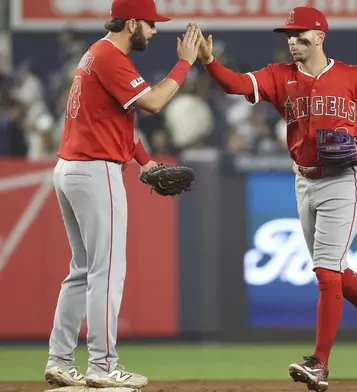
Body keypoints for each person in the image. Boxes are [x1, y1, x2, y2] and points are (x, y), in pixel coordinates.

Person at [196, 6, 357, 391]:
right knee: (335, 270)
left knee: (326, 272)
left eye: (300, 34)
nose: (293, 41)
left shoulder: (354, 76)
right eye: (289, 36)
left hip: (345, 179)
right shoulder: (281, 77)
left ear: (320, 35)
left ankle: (319, 363)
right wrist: (211, 61)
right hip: (305, 179)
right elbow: (236, 85)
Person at [44, 0, 202, 389]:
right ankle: (103, 365)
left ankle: (61, 360)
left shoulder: (95, 53)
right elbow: (154, 102)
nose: (154, 31)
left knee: (81, 271)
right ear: (131, 22)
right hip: (95, 170)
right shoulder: (111, 57)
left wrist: (146, 164)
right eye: (149, 24)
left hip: (71, 168)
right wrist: (185, 63)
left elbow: (115, 123)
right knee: (106, 273)